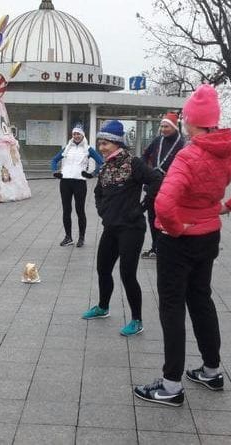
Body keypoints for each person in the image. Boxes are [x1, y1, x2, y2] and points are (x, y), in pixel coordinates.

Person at [132, 84, 231, 407]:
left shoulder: (188, 155)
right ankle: (211, 370)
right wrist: (229, 205)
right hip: (209, 236)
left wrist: (175, 228)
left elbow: (164, 205)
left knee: (172, 308)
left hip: (178, 241)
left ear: (192, 121)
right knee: (201, 300)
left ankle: (170, 385)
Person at [81, 120, 161, 337]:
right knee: (103, 268)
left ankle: (137, 320)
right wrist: (102, 210)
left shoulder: (133, 163)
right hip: (111, 227)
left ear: (116, 143)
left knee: (128, 274)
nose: (102, 147)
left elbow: (157, 180)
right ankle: (103, 307)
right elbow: (98, 191)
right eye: (100, 143)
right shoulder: (106, 165)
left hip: (131, 229)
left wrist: (142, 207)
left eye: (106, 143)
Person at [50, 125, 104, 248]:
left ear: (83, 135)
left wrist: (92, 174)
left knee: (80, 211)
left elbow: (101, 162)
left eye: (78, 134)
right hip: (65, 182)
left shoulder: (88, 149)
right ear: (72, 135)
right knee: (66, 210)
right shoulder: (67, 148)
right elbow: (54, 160)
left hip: (79, 182)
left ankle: (81, 237)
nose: (76, 136)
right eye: (74, 134)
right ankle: (68, 237)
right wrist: (55, 171)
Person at [140, 112, 185, 258]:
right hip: (153, 185)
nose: (164, 129)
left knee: (167, 217)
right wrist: (145, 172)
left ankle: (169, 247)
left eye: (167, 126)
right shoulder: (158, 140)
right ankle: (155, 247)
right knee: (152, 217)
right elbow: (145, 156)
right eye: (162, 126)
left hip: (170, 186)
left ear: (174, 127)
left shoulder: (181, 143)